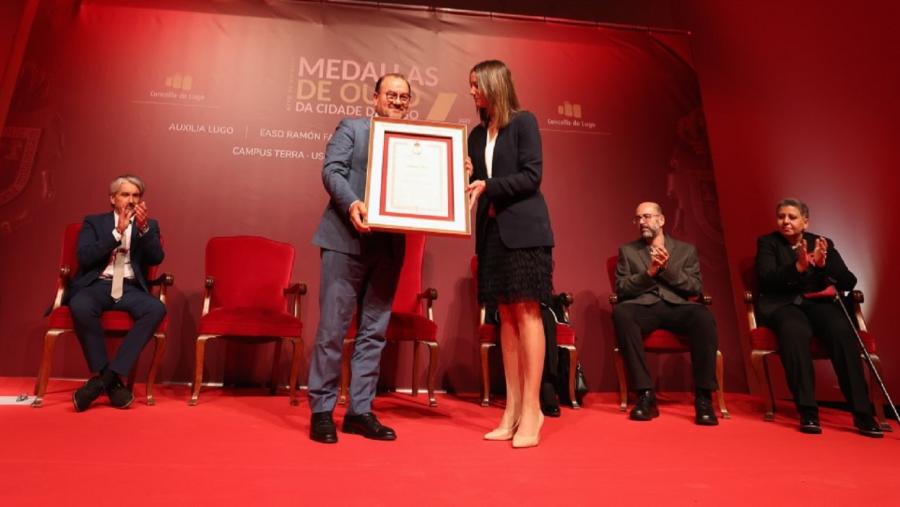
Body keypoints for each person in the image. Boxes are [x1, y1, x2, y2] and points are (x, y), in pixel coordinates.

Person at [306, 74, 410, 444]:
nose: (397, 101)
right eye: (390, 94)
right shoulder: (352, 128)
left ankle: (359, 412)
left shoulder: (417, 142)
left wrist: (455, 171)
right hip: (344, 240)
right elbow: (331, 171)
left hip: (388, 247)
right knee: (332, 330)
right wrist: (352, 203)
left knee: (374, 333)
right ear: (375, 97)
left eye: (404, 97)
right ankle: (322, 410)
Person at [466, 60, 554, 448]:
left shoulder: (523, 122)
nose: (471, 92)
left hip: (525, 231)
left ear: (493, 85)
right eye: (470, 85)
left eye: (476, 85)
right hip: (492, 234)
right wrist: (464, 173)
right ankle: (512, 408)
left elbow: (532, 176)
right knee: (504, 315)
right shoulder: (475, 134)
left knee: (527, 312)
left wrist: (488, 184)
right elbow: (475, 185)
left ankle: (532, 410)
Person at [755, 198, 882, 437]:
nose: (785, 221)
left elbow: (848, 281)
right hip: (785, 304)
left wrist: (824, 265)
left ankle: (863, 413)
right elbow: (766, 280)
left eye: (792, 217)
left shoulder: (822, 243)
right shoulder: (768, 243)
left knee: (842, 332)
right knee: (794, 331)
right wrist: (798, 268)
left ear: (805, 221)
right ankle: (807, 411)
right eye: (781, 217)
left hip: (818, 303)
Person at [612, 201, 719, 425]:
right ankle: (645, 395)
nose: (641, 222)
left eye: (647, 216)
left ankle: (703, 398)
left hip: (676, 307)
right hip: (645, 307)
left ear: (661, 220)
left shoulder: (686, 250)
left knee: (703, 316)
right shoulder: (628, 251)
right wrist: (649, 273)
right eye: (638, 218)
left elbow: (695, 287)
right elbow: (621, 288)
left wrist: (666, 270)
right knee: (622, 312)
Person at [68, 175, 166, 411]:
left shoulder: (149, 225)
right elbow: (85, 257)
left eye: (136, 195)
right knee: (80, 305)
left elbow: (156, 258)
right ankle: (110, 381)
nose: (131, 200)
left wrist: (143, 230)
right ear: (112, 199)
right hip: (98, 285)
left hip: (130, 287)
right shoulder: (94, 222)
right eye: (125, 194)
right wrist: (116, 233)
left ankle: (105, 379)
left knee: (156, 308)